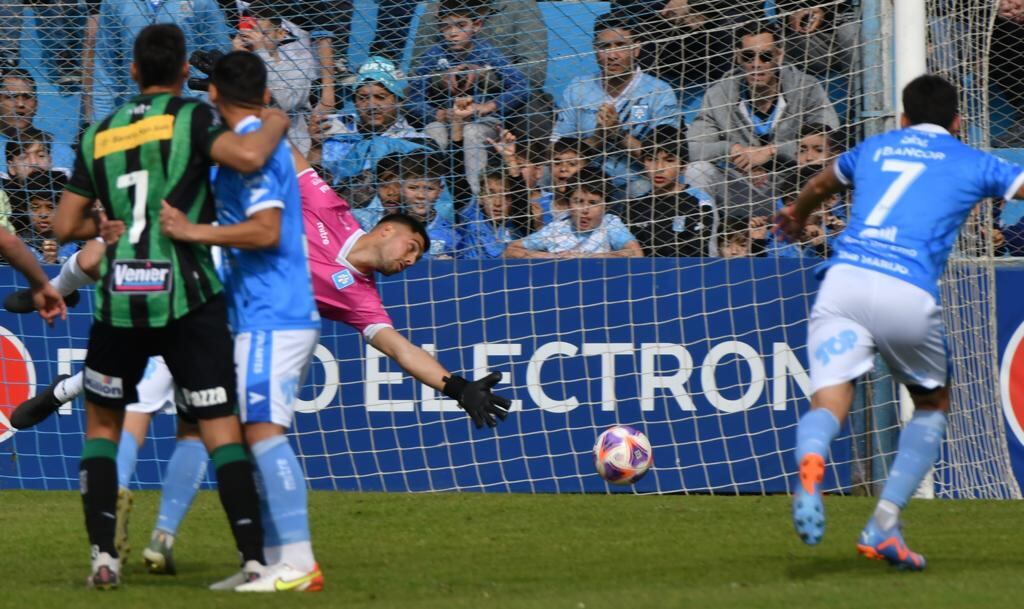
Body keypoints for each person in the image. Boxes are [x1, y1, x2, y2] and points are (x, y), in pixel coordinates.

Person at [51, 23, 291, 589]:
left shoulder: (98, 133)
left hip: (120, 299)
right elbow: (252, 156)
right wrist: (277, 116)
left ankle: (103, 558)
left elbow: (64, 225)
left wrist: (108, 224)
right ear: (186, 72)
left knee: (104, 427)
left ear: (133, 72)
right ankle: (254, 560)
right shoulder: (194, 117)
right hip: (187, 294)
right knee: (218, 427)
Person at [778, 74, 1024, 570]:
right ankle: (883, 523)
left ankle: (810, 469)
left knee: (830, 394)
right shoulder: (972, 160)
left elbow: (820, 184)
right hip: (905, 291)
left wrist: (796, 216)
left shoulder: (875, 147)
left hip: (844, 280)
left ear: (903, 118)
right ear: (958, 123)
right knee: (932, 401)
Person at [155, 50, 324, 591]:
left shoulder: (249, 147)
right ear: (266, 93)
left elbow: (265, 231)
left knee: (262, 433)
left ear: (212, 95)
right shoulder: (256, 137)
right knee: (254, 435)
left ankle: (298, 563)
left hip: (273, 313)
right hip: (265, 311)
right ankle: (276, 561)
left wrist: (191, 232)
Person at [296, 144, 512, 431]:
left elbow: (403, 350)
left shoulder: (362, 300)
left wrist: (458, 388)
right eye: (411, 248)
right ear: (386, 229)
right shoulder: (331, 210)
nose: (410, 260)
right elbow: (287, 152)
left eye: (416, 257)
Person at [687, 22, 838, 220]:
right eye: (748, 56)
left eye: (766, 56)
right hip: (740, 186)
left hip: (794, 185)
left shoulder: (807, 88)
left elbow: (830, 139)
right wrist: (732, 151)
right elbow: (691, 147)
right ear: (737, 56)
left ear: (780, 56)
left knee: (819, 165)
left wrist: (771, 152)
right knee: (697, 171)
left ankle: (814, 242)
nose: (756, 64)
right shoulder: (719, 93)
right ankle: (707, 246)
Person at [552, 12, 679, 199]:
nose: (612, 55)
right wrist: (597, 138)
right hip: (585, 180)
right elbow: (558, 150)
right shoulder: (578, 88)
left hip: (636, 179)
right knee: (549, 175)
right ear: (595, 50)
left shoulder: (659, 92)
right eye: (605, 47)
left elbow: (667, 159)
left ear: (636, 49)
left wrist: (619, 135)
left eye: (621, 46)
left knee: (640, 188)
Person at [408, 0, 530, 194]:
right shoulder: (434, 54)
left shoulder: (486, 52)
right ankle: (440, 196)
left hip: (481, 120)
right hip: (447, 120)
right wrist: (437, 114)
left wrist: (487, 107)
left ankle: (475, 197)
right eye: (445, 26)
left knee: (472, 132)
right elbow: (413, 97)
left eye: (461, 25)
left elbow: (521, 86)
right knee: (434, 131)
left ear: (477, 25)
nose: (452, 33)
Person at [233, 0, 319, 155]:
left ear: (281, 34)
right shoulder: (238, 65)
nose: (255, 39)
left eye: (263, 34)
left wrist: (261, 53)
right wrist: (235, 61)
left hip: (293, 152)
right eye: (250, 33)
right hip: (251, 152)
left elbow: (285, 102)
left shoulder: (300, 62)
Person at [504, 166, 643, 259]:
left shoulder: (610, 223)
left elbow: (636, 253)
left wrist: (586, 258)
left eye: (593, 203)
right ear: (569, 204)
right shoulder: (557, 229)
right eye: (578, 201)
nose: (585, 210)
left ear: (605, 206)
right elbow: (510, 251)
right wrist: (552, 257)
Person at [629, 125, 717, 257]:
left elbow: (693, 253)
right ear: (643, 163)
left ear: (683, 166)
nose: (659, 168)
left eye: (669, 160)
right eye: (651, 159)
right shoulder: (634, 207)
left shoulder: (699, 203)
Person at [0, 70, 75, 176]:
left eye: (27, 97)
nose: (21, 104)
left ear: (36, 105)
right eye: (11, 97)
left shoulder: (59, 151)